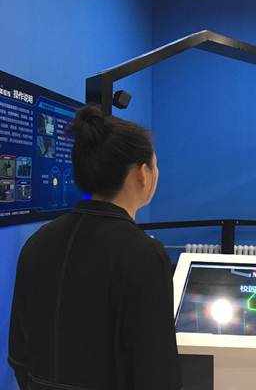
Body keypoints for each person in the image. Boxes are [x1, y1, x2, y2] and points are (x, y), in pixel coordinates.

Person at [8, 105, 183, 390]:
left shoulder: (38, 242)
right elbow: (156, 372)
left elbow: (18, 354)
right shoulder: (145, 255)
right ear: (142, 174)